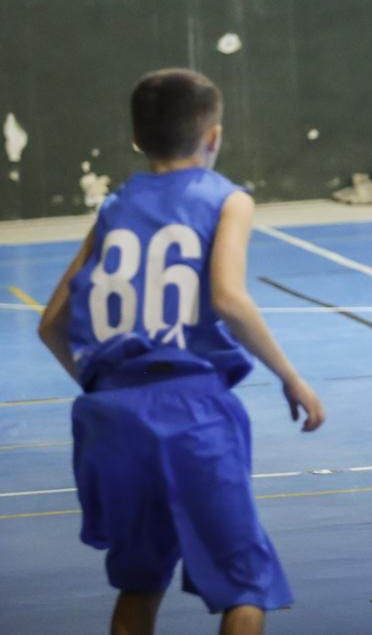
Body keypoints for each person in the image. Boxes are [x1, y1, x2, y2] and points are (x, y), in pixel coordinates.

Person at [37, 68, 326, 635]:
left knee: (139, 585)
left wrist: (105, 387)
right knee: (244, 587)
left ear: (138, 139)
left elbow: (52, 324)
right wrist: (291, 377)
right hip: (190, 410)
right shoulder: (228, 199)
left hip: (109, 416)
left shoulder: (116, 205)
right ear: (213, 137)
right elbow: (228, 299)